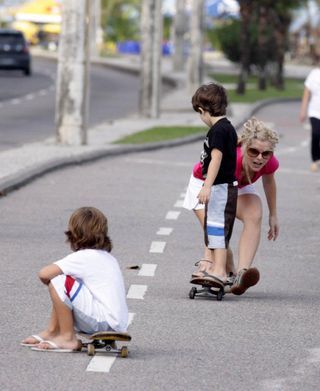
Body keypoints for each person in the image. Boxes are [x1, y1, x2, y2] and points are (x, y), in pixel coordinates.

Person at [184, 117, 280, 295]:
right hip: (205, 185)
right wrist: (209, 253)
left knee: (254, 213)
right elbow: (217, 208)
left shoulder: (269, 161)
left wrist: (273, 215)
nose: (260, 158)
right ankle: (224, 269)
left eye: (266, 153)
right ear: (244, 146)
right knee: (219, 239)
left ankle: (241, 275)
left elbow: (269, 182)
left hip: (237, 185)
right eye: (253, 151)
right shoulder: (230, 159)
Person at [21, 206, 128, 352]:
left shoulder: (83, 257)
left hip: (101, 321)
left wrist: (55, 290)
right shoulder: (108, 257)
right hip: (115, 323)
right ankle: (52, 331)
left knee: (59, 281)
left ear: (74, 234)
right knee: (65, 286)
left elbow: (44, 273)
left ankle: (67, 338)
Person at [189, 82, 238, 289]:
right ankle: (218, 268)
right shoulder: (227, 128)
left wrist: (207, 185)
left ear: (203, 110)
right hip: (222, 187)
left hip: (220, 187)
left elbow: (216, 158)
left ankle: (220, 270)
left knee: (218, 229)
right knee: (215, 229)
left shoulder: (217, 131)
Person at [300, 67, 320, 172]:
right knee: (316, 134)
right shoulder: (314, 74)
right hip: (315, 111)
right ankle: (315, 159)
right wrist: (303, 110)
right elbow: (306, 93)